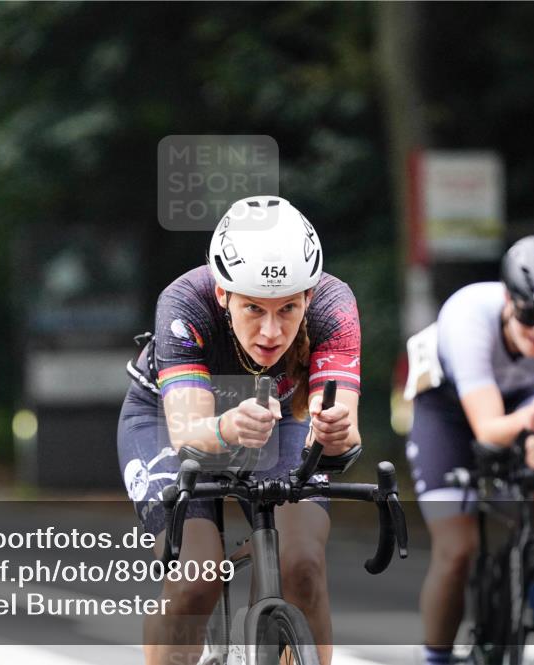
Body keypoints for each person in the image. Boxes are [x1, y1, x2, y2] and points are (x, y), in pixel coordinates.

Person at [118, 196, 363, 665]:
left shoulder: (334, 305)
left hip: (280, 416)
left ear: (309, 297)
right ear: (223, 295)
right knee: (196, 578)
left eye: (288, 309)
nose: (271, 332)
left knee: (304, 565)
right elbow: (189, 433)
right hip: (171, 418)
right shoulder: (184, 300)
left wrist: (333, 431)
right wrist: (228, 427)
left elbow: (340, 424)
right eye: (254, 309)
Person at [404, 235, 534, 665]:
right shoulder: (468, 315)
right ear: (508, 298)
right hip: (448, 411)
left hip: (524, 403)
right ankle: (436, 657)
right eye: (530, 314)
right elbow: (488, 430)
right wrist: (531, 422)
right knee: (457, 551)